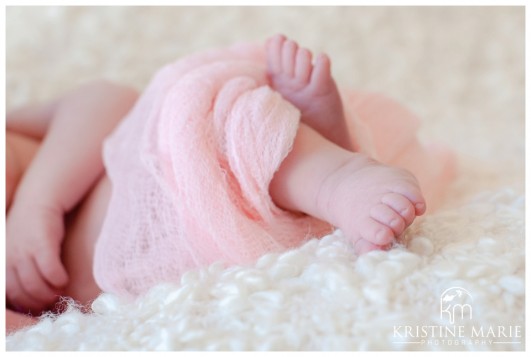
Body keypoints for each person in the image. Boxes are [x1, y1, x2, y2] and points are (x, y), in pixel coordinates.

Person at [5, 35, 425, 332]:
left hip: (168, 171)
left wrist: (36, 203)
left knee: (206, 124)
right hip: (169, 268)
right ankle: (316, 184)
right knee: (257, 186)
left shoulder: (17, 137)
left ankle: (336, 177)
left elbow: (105, 101)